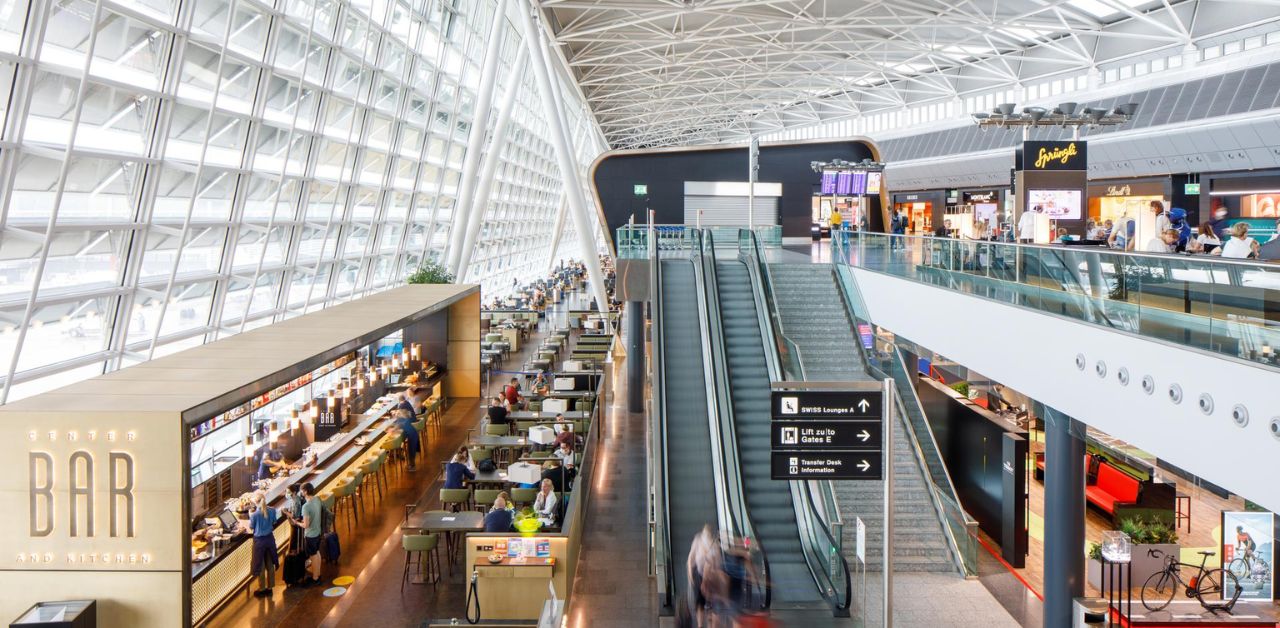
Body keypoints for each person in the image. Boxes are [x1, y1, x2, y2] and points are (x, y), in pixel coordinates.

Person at [247, 494, 280, 597]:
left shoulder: (254, 515)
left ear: (256, 503)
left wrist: (249, 515)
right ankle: (270, 587)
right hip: (269, 540)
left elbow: (251, 527)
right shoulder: (272, 510)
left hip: (259, 542)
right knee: (270, 564)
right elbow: (274, 521)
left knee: (260, 565)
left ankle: (262, 588)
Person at [292, 482, 323, 586]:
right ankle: (318, 574)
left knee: (313, 555)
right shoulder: (317, 499)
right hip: (318, 532)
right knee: (317, 552)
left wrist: (297, 523)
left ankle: (315, 578)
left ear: (305, 491)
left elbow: (306, 525)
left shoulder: (306, 506)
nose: (300, 492)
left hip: (310, 535)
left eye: (301, 490)